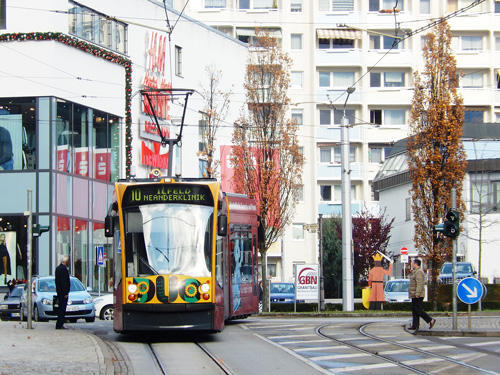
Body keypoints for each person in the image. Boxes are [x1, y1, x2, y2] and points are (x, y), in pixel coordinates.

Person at [408, 258, 436, 330]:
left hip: (418, 294)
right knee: (415, 309)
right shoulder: (415, 272)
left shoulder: (419, 272)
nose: (412, 264)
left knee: (418, 309)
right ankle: (415, 325)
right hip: (414, 293)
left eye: (413, 263)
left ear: (416, 264)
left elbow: (419, 283)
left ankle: (430, 320)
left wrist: (417, 293)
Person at [55, 254, 70, 330]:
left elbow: (57, 281)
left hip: (59, 291)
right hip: (63, 293)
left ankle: (59, 323)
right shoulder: (64, 269)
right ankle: (60, 324)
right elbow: (64, 282)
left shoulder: (57, 268)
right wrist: (65, 293)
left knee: (60, 309)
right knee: (62, 309)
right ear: (66, 261)